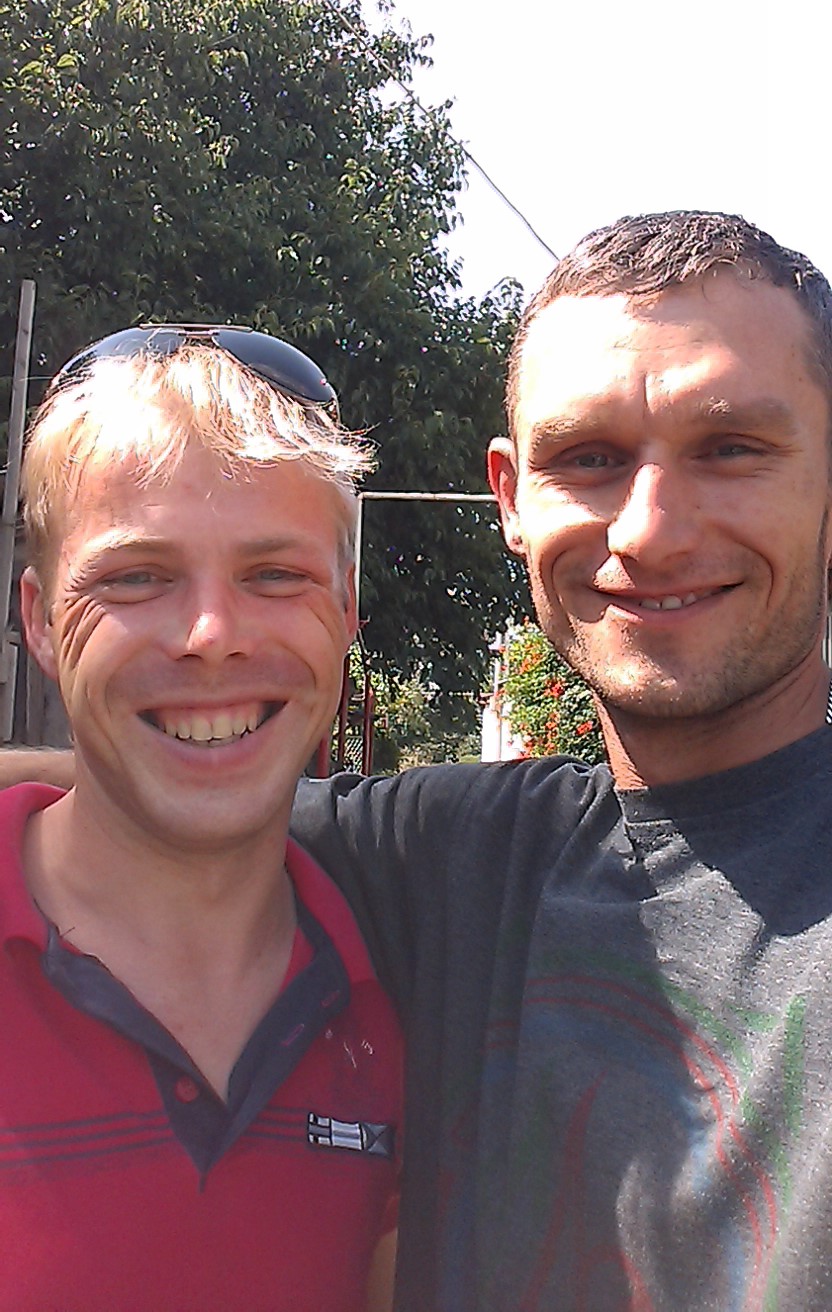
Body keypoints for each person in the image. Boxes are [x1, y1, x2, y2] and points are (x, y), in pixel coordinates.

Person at [9, 209, 832, 1311]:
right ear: (512, 499)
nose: (652, 529)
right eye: (588, 459)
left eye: (730, 449)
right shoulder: (444, 862)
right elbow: (161, 786)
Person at [0, 326, 401, 1312]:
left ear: (347, 607)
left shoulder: (412, 993)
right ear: (40, 619)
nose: (211, 635)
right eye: (137, 576)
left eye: (276, 575)